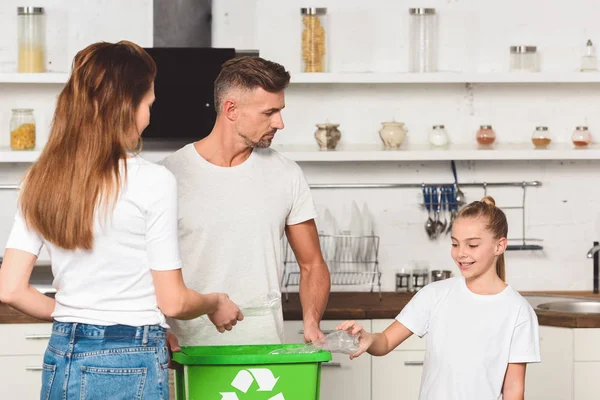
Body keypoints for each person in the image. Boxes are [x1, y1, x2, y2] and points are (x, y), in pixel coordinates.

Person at [0, 41, 242, 400]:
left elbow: (10, 289)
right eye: (148, 105)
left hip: (63, 352)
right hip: (130, 356)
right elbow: (173, 301)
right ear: (127, 105)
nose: (148, 116)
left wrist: (81, 320)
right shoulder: (152, 181)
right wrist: (216, 302)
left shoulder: (42, 178)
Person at [160, 56, 331, 350]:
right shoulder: (167, 176)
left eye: (280, 111)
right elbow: (138, 271)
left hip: (263, 351)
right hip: (185, 353)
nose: (280, 122)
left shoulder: (286, 174)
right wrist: (157, 329)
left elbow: (312, 264)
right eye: (269, 112)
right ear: (231, 110)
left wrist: (311, 321)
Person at [337, 196, 541, 400]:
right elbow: (386, 341)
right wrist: (369, 339)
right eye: (455, 244)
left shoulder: (518, 311)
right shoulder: (434, 295)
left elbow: (514, 390)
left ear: (499, 246)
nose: (460, 253)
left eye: (472, 245)